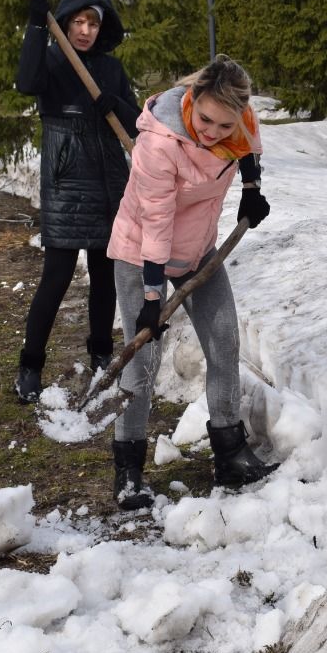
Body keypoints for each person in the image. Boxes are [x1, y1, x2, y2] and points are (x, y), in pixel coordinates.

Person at [106, 55, 276, 510]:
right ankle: (129, 470)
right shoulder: (158, 145)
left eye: (224, 125)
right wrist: (151, 295)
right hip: (141, 254)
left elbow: (248, 144)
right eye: (205, 119)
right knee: (142, 363)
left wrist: (252, 188)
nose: (213, 132)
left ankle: (230, 453)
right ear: (192, 99)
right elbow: (156, 222)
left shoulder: (237, 122)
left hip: (201, 252)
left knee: (224, 344)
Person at [12, 0, 140, 403]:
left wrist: (112, 104)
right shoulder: (52, 60)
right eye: (78, 22)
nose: (84, 31)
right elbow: (26, 83)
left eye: (93, 23)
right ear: (65, 23)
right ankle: (30, 365)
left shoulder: (111, 68)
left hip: (109, 181)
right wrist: (35, 25)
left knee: (105, 278)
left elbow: (137, 123)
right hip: (67, 180)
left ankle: (102, 355)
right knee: (57, 276)